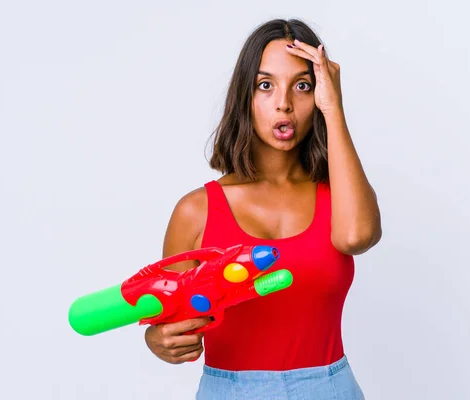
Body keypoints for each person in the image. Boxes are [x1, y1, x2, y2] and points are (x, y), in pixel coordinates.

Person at [144, 18, 382, 399]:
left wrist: (334, 108)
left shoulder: (340, 198)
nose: (284, 103)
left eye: (302, 86)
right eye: (265, 85)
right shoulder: (196, 210)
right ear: (245, 95)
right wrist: (158, 340)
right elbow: (169, 321)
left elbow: (358, 236)